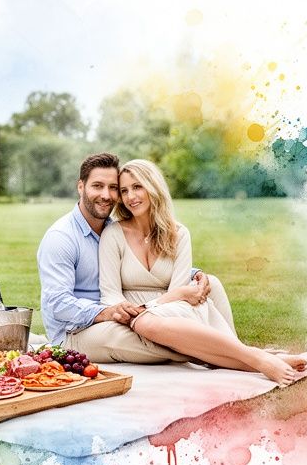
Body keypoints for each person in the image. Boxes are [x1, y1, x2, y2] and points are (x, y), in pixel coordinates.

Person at [99, 159, 307, 385]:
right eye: (124, 191)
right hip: (134, 316)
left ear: (153, 187)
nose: (131, 197)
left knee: (204, 293)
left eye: (137, 186)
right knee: (163, 326)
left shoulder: (178, 234)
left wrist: (167, 300)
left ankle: (258, 357)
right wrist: (140, 311)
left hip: (173, 312)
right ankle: (261, 358)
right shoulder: (114, 234)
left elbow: (179, 297)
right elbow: (110, 295)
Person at [37, 153, 231, 364]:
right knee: (151, 336)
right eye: (97, 186)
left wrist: (194, 273)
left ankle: (230, 347)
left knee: (211, 285)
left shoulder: (110, 227)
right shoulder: (62, 238)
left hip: (119, 315)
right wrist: (106, 312)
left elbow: (137, 259)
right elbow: (57, 303)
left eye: (113, 188)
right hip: (76, 332)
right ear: (81, 187)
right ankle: (225, 356)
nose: (106, 195)